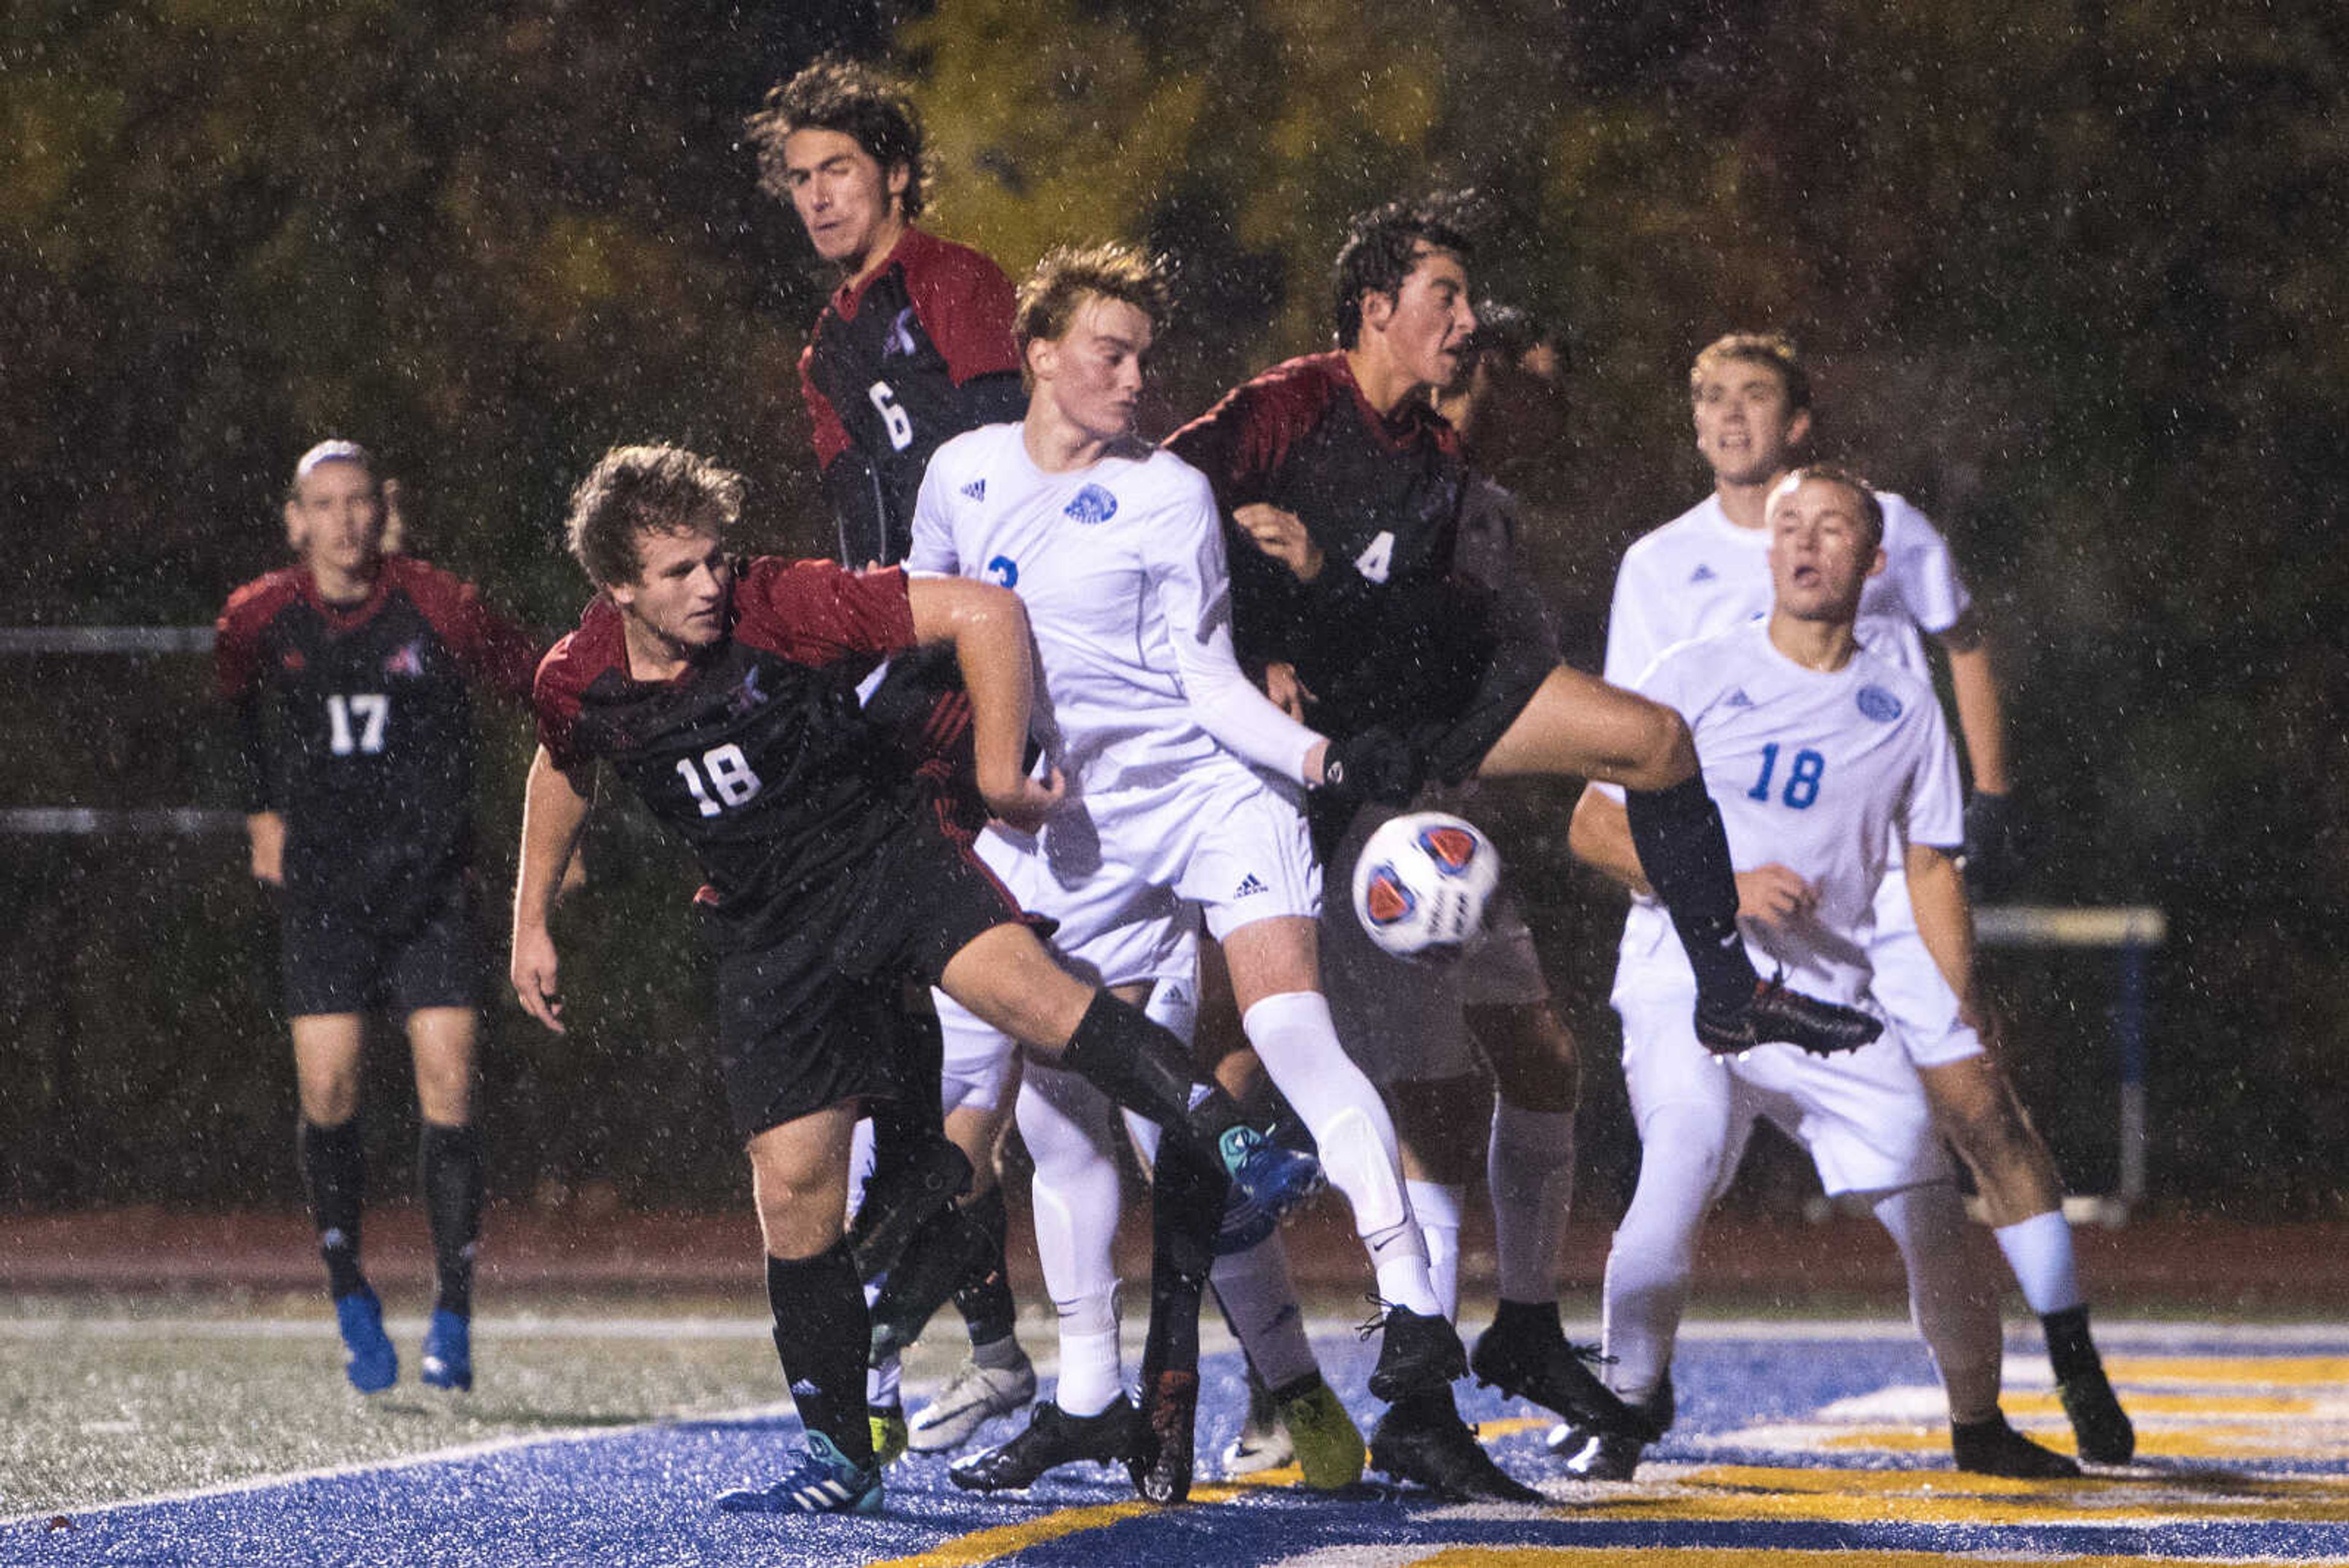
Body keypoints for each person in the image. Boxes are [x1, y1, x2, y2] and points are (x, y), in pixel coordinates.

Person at [1163, 197, 1883, 1462]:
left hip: (1424, 778)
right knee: (1228, 1085)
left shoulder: (1454, 491)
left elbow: (1421, 650)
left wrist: (1326, 593)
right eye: (1453, 305)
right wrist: (1263, 620)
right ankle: (1266, 1374)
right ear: (1381, 310)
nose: (1476, 338)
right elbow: (1159, 510)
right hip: (1314, 789)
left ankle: (1502, 1335)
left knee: (1537, 1047)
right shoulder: (1290, 409)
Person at [510, 443, 1316, 1515]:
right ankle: (843, 1452)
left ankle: (1238, 1143)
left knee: (1036, 999)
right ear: (617, 587)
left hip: (883, 857)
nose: (710, 584)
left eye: (715, 558)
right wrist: (531, 919)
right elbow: (564, 761)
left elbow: (982, 612)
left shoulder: (782, 601)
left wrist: (994, 773)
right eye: (677, 573)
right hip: (768, 932)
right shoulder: (579, 677)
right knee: (795, 1194)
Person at [910, 242, 1531, 1503]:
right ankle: (1089, 1396)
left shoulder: (1167, 495)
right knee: (1069, 1116)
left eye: (1147, 355)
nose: (1137, 377)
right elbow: (934, 639)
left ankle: (1410, 1306)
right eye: (1110, 351)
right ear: (1038, 353)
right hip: (1068, 830)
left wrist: (1314, 757)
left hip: (1213, 795)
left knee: (1292, 1029)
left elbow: (1202, 677)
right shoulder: (960, 478)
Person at [1597, 331, 2131, 1464]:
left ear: (1873, 558)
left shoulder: (1901, 706)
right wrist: (1724, 885)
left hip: (1828, 995)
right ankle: (1627, 1404)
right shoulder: (1692, 668)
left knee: (1934, 1204)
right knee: (1674, 1183)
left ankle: (1982, 1424)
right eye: (1786, 529)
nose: (1800, 544)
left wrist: (1962, 988)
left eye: (1828, 527)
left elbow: (1931, 867)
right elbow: (1594, 821)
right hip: (1692, 974)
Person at [745, 54, 1036, 1457]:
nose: (815, 197)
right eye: (797, 179)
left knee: (1014, 1042)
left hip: (986, 670)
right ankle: (993, 1347)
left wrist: (977, 669)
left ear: (896, 174)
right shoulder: (825, 345)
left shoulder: (957, 281)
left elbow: (1013, 477)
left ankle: (1033, 1344)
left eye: (837, 171)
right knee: (902, 1029)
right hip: (901, 678)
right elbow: (865, 533)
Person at [215, 440, 540, 1396]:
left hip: (430, 889)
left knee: (450, 1089)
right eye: (326, 504)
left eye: (360, 502)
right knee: (329, 1095)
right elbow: (236, 704)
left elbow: (538, 686)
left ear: (383, 508)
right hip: (325, 896)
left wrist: (555, 830)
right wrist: (262, 811)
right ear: (297, 518)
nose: (345, 521)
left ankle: (454, 1305)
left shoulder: (441, 607)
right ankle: (349, 1288)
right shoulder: (259, 616)